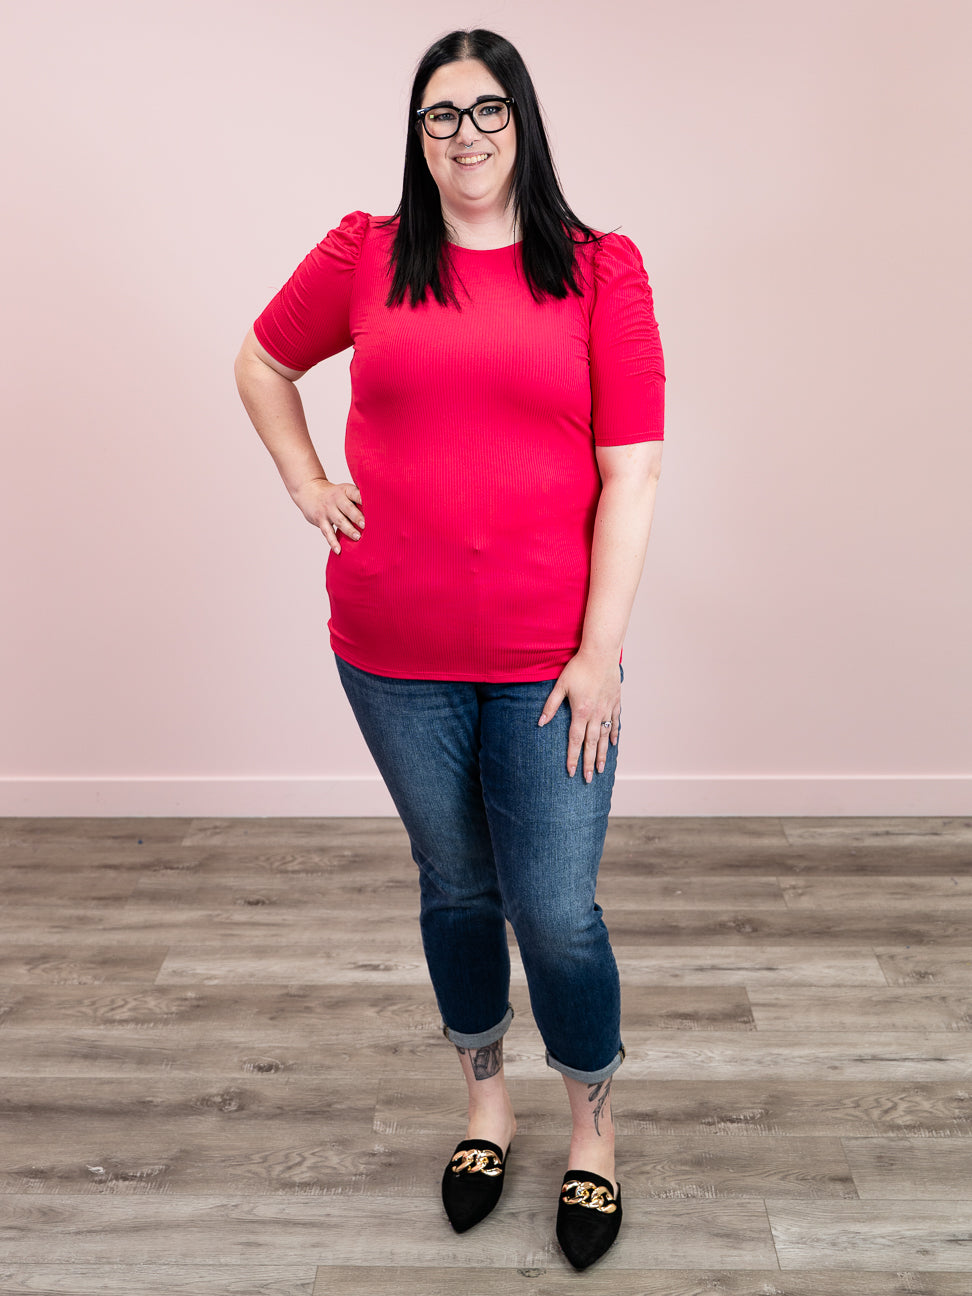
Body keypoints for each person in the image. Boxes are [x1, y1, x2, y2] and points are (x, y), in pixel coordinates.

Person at [234, 28, 664, 1270]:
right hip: (392, 649)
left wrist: (601, 653)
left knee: (556, 911)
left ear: (521, 120)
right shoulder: (367, 254)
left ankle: (593, 1127)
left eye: (487, 110)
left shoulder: (600, 268)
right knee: (458, 886)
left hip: (550, 662)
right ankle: (486, 1105)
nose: (465, 134)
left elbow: (631, 473)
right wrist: (306, 479)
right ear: (416, 135)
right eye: (441, 114)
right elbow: (262, 362)